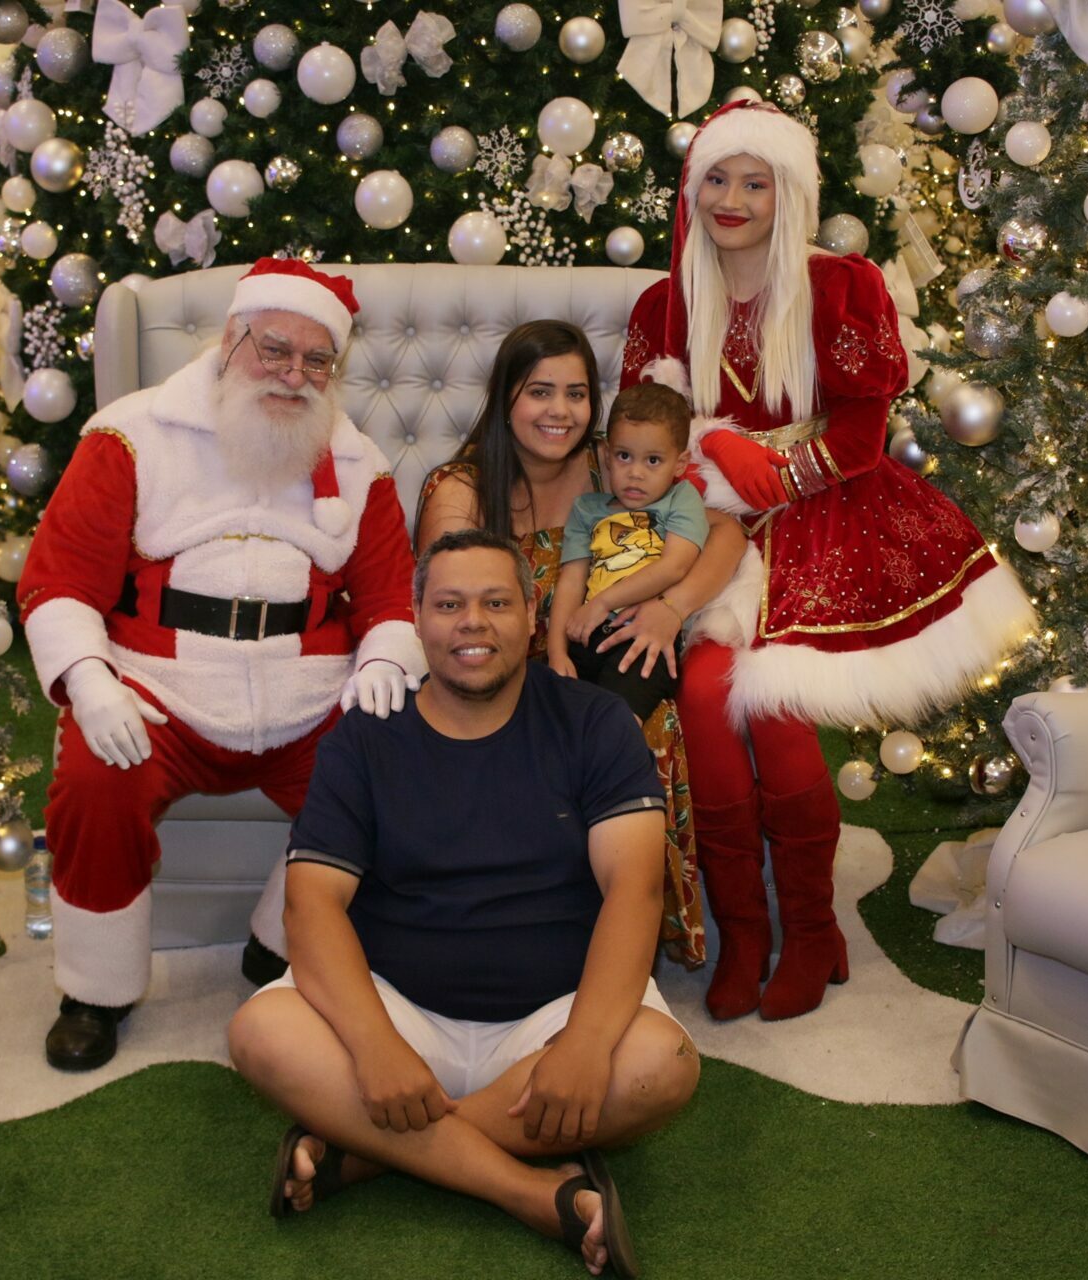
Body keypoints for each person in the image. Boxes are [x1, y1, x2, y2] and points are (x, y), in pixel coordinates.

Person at [622, 101, 1036, 1022]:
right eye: (716, 179)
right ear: (693, 190)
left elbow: (858, 437)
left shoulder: (840, 287)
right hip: (710, 532)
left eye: (754, 182)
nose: (732, 199)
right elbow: (643, 438)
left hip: (827, 520)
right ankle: (744, 931)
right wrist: (712, 451)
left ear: (790, 195)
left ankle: (811, 929)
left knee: (774, 712)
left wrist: (772, 472)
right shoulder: (665, 305)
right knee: (704, 699)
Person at [228, 529, 699, 1280]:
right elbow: (311, 907)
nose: (472, 622)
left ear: (532, 615)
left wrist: (583, 1045)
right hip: (398, 1006)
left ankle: (365, 1153)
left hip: (553, 1014)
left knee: (660, 1065)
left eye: (495, 603)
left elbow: (634, 891)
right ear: (417, 620)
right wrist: (375, 1046)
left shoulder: (594, 721)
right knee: (260, 1032)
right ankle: (530, 1192)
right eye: (449, 605)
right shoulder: (365, 737)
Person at [18, 258, 424, 1071]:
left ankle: (281, 941)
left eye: (317, 361)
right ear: (232, 338)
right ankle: (95, 990)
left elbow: (389, 600)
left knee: (404, 780)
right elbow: (59, 580)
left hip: (309, 694)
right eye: (275, 349)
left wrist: (384, 657)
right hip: (159, 686)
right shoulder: (129, 435)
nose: (294, 374)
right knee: (96, 778)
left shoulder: (358, 464)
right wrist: (90, 681)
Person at [417, 320, 747, 970]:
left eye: (576, 393)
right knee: (558, 735)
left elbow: (726, 534)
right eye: (541, 392)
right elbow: (450, 617)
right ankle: (534, 929)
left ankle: (625, 935)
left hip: (604, 659)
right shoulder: (462, 489)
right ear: (506, 396)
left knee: (641, 717)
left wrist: (671, 607)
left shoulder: (615, 462)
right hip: (499, 673)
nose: (561, 411)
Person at [549, 382, 707, 723]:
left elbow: (674, 567)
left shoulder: (682, 499)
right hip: (587, 634)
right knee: (553, 715)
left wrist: (603, 603)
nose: (635, 473)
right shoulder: (586, 509)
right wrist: (556, 652)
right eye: (624, 456)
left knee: (615, 725)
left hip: (644, 637)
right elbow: (571, 581)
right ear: (607, 455)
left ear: (680, 463)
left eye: (653, 460)